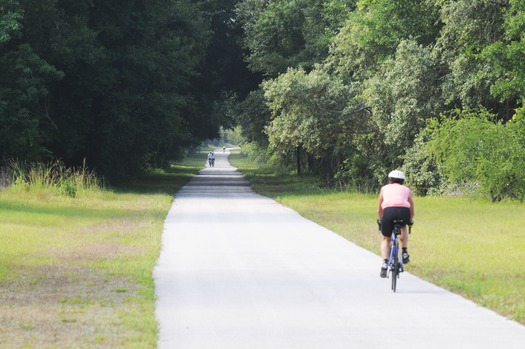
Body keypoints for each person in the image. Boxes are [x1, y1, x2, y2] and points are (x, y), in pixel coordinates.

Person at [377, 170, 414, 278]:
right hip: (403, 212)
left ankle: (384, 263)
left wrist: (381, 219)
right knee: (403, 227)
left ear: (389, 180)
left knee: (386, 239)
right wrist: (410, 219)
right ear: (402, 181)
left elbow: (379, 208)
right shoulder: (407, 189)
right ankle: (404, 251)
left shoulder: (384, 189)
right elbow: (411, 206)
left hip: (388, 211)